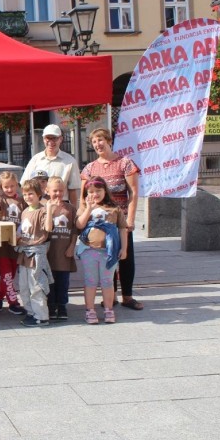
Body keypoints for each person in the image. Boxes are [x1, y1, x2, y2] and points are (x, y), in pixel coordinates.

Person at [80, 127, 142, 310]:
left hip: (120, 221)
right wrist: (84, 220)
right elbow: (84, 197)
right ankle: (111, 296)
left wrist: (130, 219)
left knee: (125, 257)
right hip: (99, 223)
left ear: (108, 141)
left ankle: (128, 296)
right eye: (94, 142)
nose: (98, 145)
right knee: (107, 258)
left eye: (100, 140)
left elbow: (133, 192)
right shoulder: (90, 168)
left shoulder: (125, 163)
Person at [76, 176, 128, 324]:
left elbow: (123, 229)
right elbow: (79, 225)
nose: (94, 194)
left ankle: (108, 309)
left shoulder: (114, 209)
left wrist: (124, 249)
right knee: (90, 281)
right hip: (89, 250)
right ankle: (90, 310)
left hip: (108, 252)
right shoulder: (84, 209)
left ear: (105, 190)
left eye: (98, 190)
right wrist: (89, 209)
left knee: (107, 281)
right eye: (90, 191)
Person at [15, 179, 53, 327]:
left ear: (39, 194)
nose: (28, 197)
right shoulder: (25, 212)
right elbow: (22, 230)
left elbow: (48, 228)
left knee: (36, 286)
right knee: (24, 286)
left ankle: (42, 316)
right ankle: (30, 312)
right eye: (25, 194)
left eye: (31, 193)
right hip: (24, 253)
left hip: (36, 253)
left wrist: (49, 210)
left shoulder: (43, 210)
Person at [0, 171, 26, 316]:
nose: (9, 189)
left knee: (10, 274)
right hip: (2, 244)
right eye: (6, 187)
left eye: (12, 186)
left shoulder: (22, 201)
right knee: (6, 274)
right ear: (1, 187)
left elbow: (25, 220)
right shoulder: (1, 200)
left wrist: (19, 234)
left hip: (16, 243)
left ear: (17, 185)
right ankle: (13, 302)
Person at [45, 176, 78, 321]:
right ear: (47, 191)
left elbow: (74, 229)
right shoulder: (44, 207)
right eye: (54, 191)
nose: (58, 194)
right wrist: (50, 211)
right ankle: (51, 305)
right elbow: (43, 229)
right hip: (49, 252)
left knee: (63, 281)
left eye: (60, 191)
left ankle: (62, 305)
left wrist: (72, 246)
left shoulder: (70, 208)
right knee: (49, 281)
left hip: (64, 252)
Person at [21, 124, 80, 204]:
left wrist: (74, 212)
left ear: (61, 139)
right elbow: (25, 184)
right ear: (43, 139)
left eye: (54, 138)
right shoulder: (35, 159)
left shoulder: (70, 161)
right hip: (38, 205)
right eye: (48, 138)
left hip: (61, 205)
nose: (51, 141)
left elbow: (73, 190)